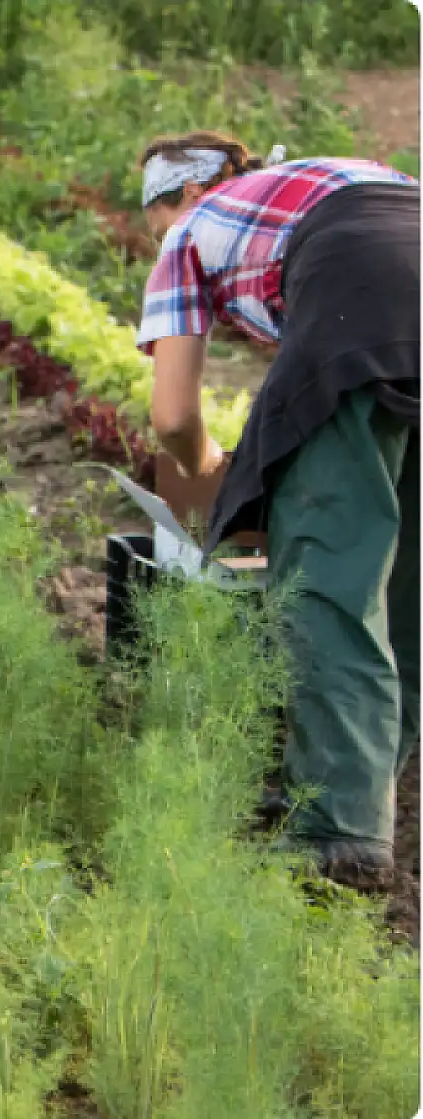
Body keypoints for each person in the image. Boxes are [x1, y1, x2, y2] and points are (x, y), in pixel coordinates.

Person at [132, 131, 419, 890]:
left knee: (325, 566)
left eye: (155, 221)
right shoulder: (314, 179)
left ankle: (336, 828)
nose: (160, 238)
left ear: (183, 198)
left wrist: (209, 478)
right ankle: (361, 770)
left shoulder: (191, 230)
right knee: (408, 583)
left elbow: (171, 419)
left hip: (368, 304)